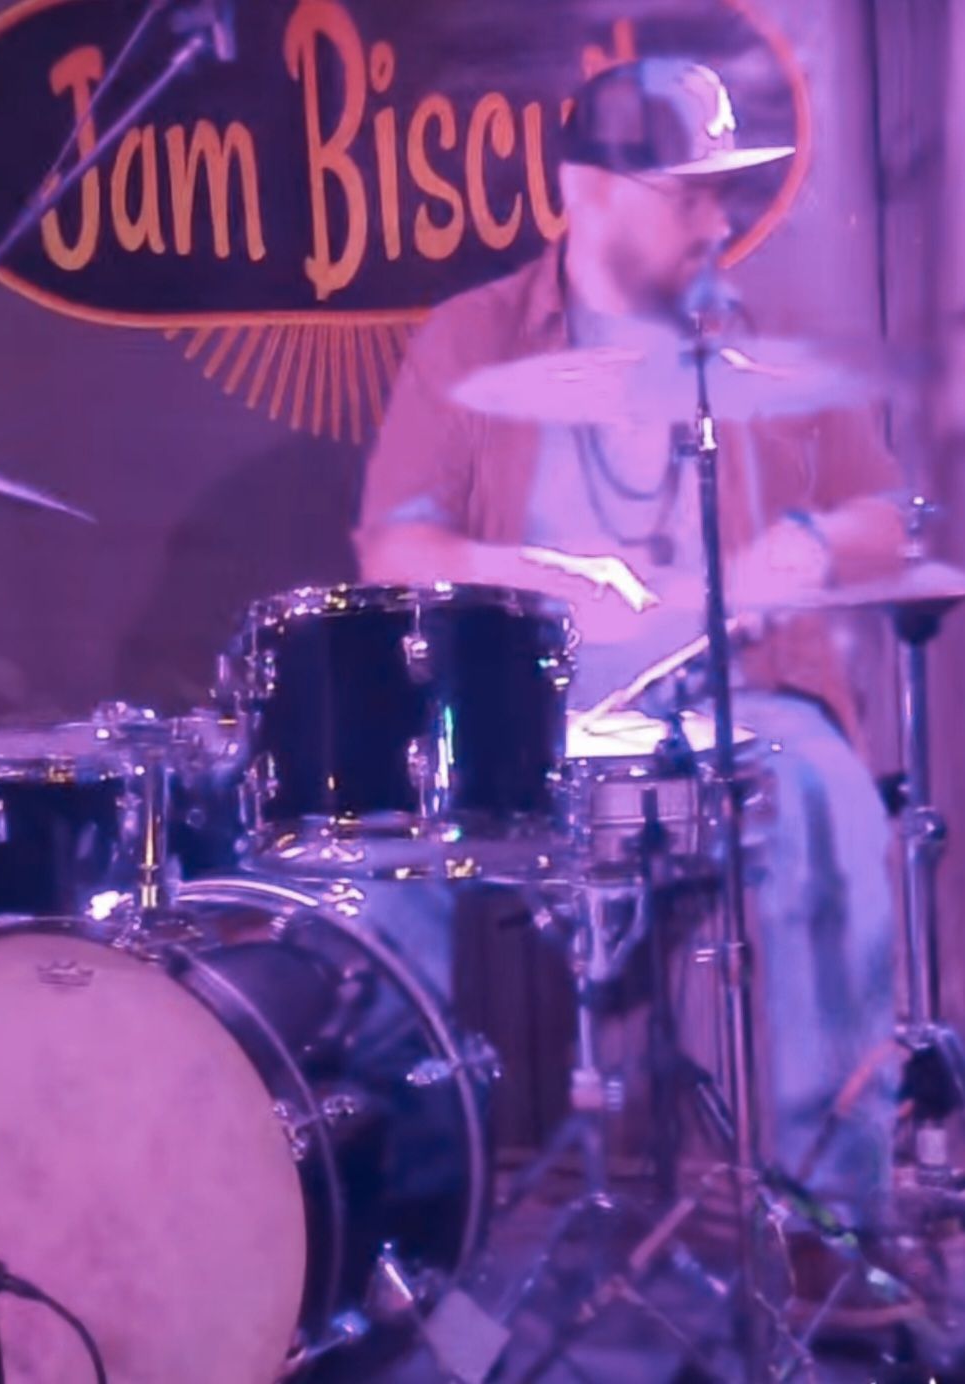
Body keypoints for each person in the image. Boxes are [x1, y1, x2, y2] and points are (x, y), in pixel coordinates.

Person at [356, 57, 906, 1296]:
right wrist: (532, 572)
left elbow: (886, 511)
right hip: (526, 717)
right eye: (686, 193)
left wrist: (803, 547)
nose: (718, 220)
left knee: (829, 803)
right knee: (375, 857)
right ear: (587, 191)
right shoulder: (472, 338)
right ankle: (411, 1229)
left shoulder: (761, 342)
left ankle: (826, 1225)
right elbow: (395, 546)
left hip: (736, 704)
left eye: (726, 192)